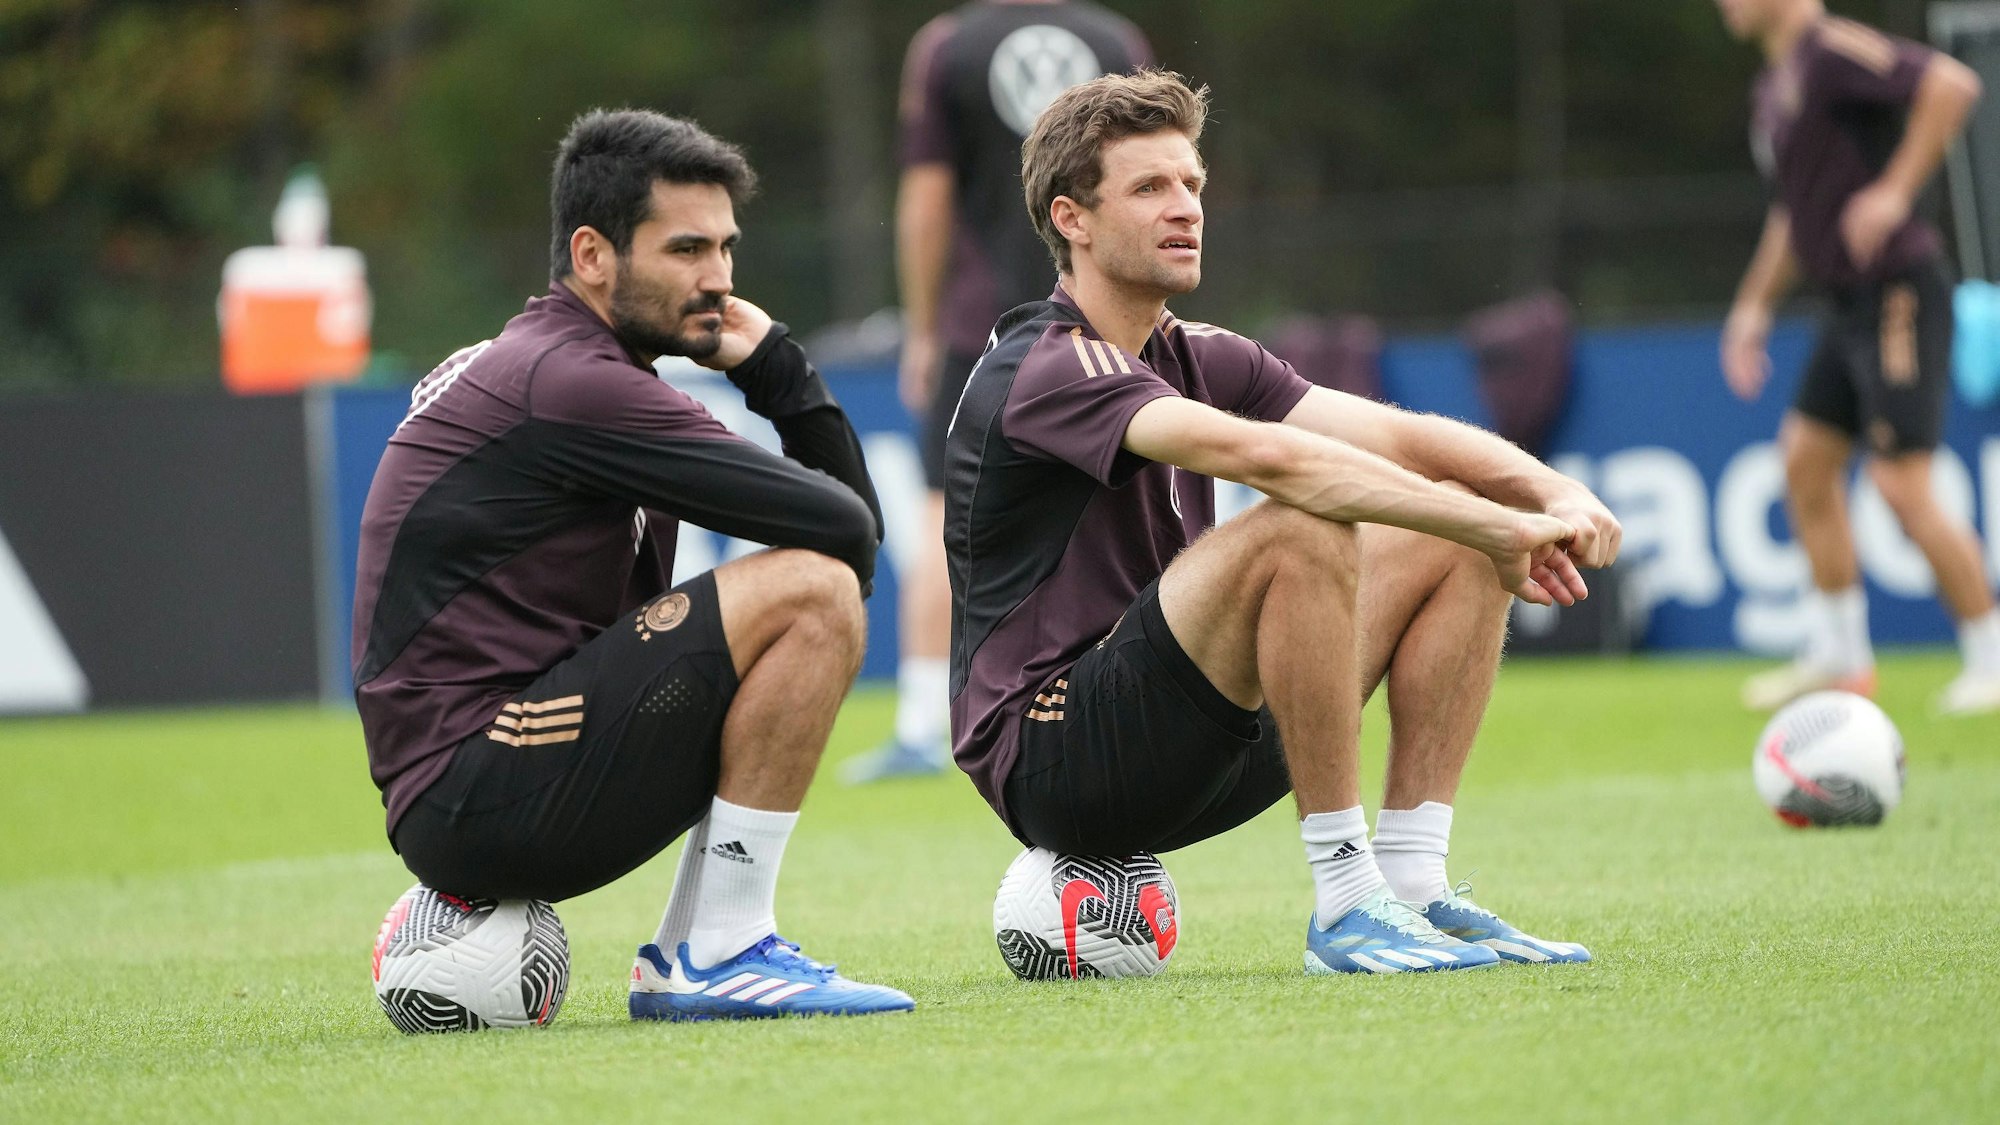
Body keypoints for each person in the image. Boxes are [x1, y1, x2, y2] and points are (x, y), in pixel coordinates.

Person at [946, 70, 1621, 974]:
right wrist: (1495, 526)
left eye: (1192, 185)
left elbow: (1397, 434)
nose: (1185, 208)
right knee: (1306, 522)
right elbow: (1272, 461)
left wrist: (1549, 494)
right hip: (1057, 753)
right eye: (1150, 188)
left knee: (1452, 522)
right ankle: (1348, 905)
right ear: (1073, 219)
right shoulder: (1046, 364)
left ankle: (1416, 886)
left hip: (1195, 734)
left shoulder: (1197, 350)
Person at [352, 109, 912, 1020]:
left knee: (821, 587)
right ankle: (717, 950)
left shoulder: (556, 364)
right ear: (592, 254)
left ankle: (705, 945)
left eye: (727, 248)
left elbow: (854, 541)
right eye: (687, 248)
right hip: (480, 779)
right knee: (811, 592)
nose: (720, 281)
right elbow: (846, 533)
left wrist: (771, 368)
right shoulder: (573, 383)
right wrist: (779, 372)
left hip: (473, 781)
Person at [847, 0, 1152, 782]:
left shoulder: (949, 45)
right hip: (1100, 312)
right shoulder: (1116, 39)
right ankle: (1128, 699)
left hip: (979, 328)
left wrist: (921, 328)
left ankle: (922, 723)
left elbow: (926, 200)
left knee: (944, 514)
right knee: (1114, 511)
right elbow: (1153, 180)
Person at [1715, 0, 2000, 715]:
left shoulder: (1832, 48)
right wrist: (1753, 306)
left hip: (1899, 289)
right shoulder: (1773, 88)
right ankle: (1840, 656)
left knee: (1903, 486)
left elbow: (1952, 85)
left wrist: (1893, 192)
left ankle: (1991, 656)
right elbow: (1792, 212)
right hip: (1844, 305)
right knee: (1805, 463)